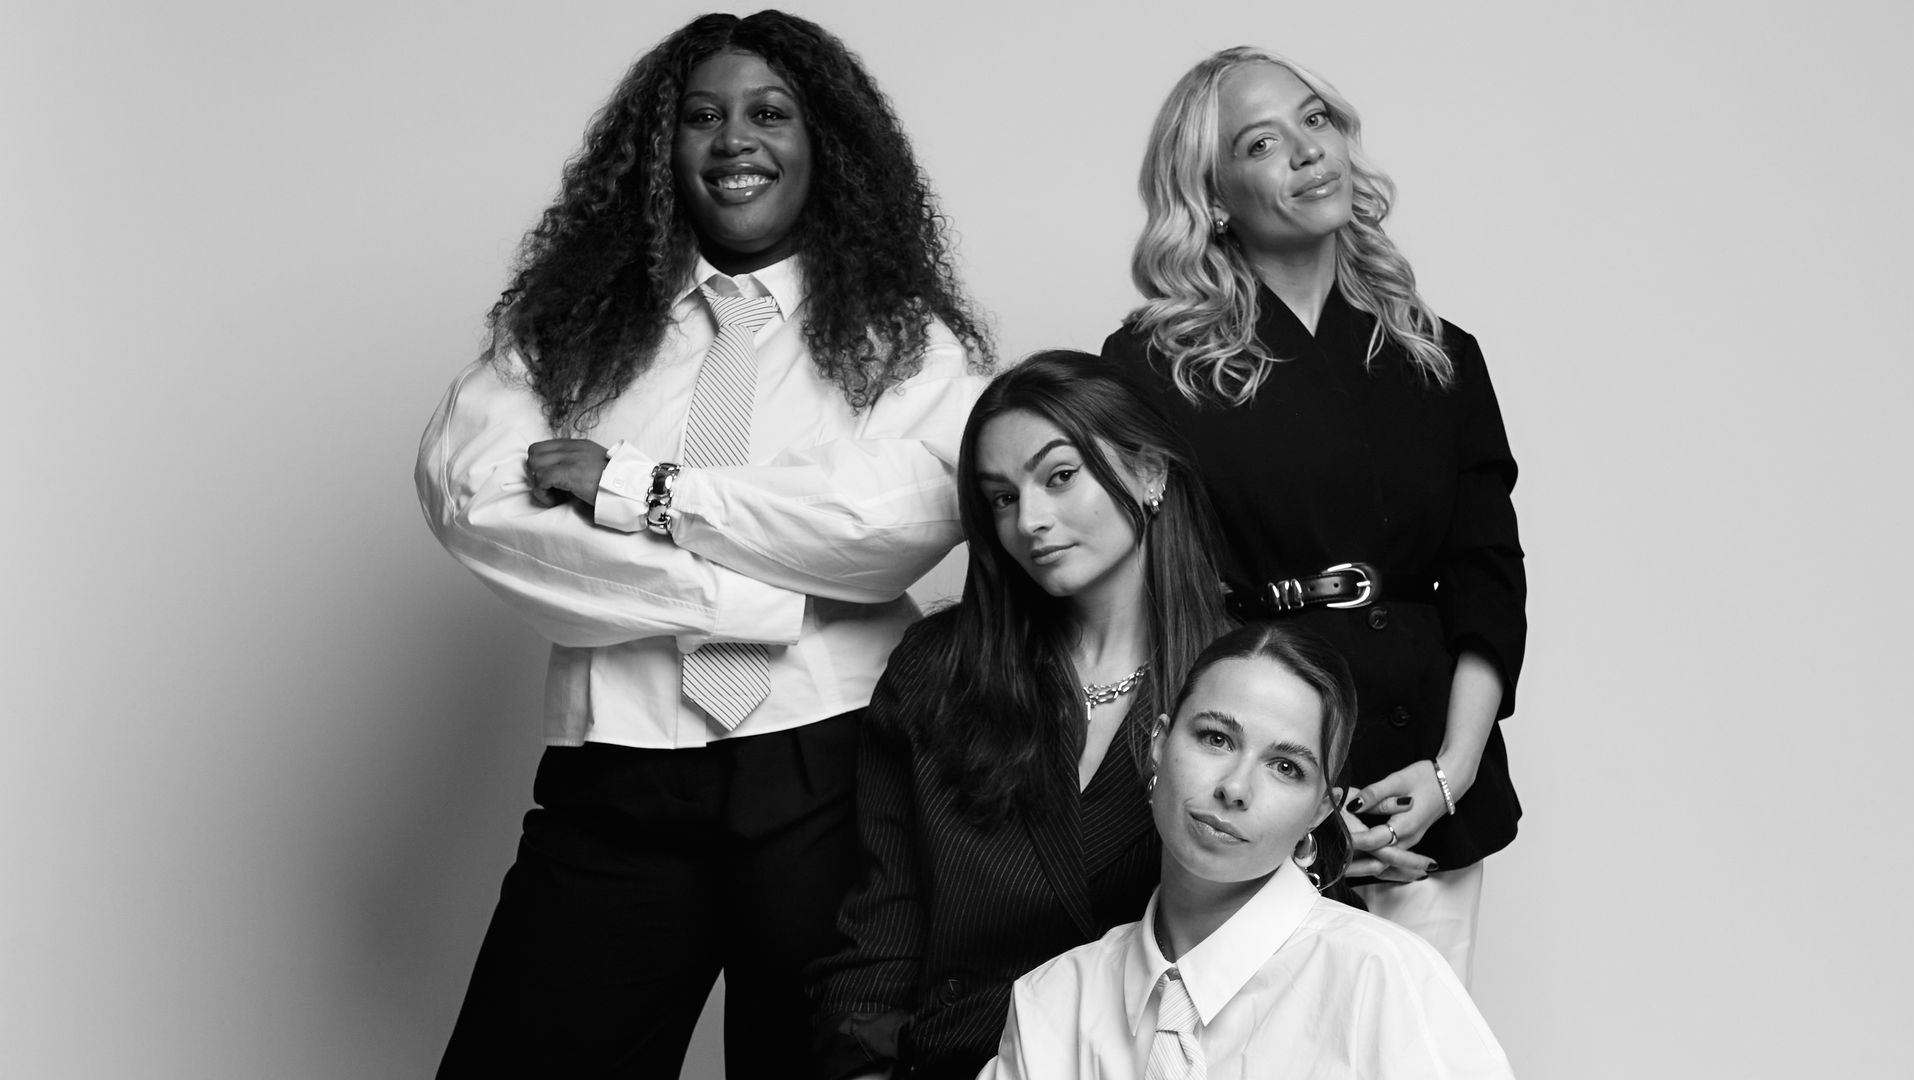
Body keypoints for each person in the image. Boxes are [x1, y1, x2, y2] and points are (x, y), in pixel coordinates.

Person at [414, 10, 991, 1076]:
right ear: (658, 149)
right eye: (701, 117)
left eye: (770, 113)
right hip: (620, 776)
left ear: (827, 143)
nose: (736, 141)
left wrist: (638, 490)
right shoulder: (570, 331)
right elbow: (473, 496)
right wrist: (754, 599)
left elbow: (893, 525)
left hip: (835, 773)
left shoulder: (905, 338)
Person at [1103, 46, 1526, 984]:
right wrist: (1308, 816)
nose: (1308, 151)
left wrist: (1449, 774)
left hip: (1427, 777)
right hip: (1253, 779)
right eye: (1263, 142)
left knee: (1411, 1050)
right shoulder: (1149, 366)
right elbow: (1148, 606)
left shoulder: (1441, 354)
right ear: (1212, 194)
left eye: (1316, 120)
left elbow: (1489, 577)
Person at [810, 351, 1235, 1080]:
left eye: (1059, 476)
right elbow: (881, 931)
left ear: (1149, 472)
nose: (1030, 521)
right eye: (1001, 498)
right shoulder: (938, 673)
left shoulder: (1242, 689)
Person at [980, 622, 1514, 1079]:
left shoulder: (1384, 979)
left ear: (1321, 810)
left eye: (1286, 768)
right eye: (1216, 738)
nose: (1235, 787)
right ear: (1159, 746)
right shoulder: (1050, 1002)